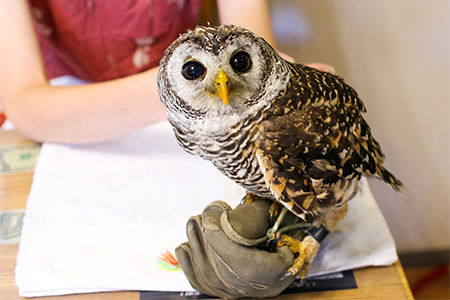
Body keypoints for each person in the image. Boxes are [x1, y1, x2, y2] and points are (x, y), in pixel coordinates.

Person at [0, 0, 333, 144]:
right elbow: (26, 107)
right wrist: (175, 90)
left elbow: (248, 54)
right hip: (68, 107)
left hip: (195, 113)